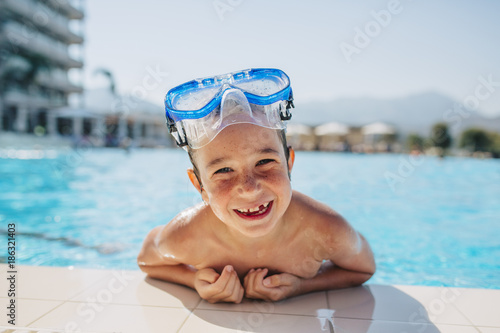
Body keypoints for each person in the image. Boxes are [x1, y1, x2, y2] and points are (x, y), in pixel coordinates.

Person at [137, 68, 375, 303]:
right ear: (200, 186)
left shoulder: (324, 229)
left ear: (289, 164)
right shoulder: (189, 235)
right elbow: (146, 259)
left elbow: (364, 268)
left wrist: (302, 287)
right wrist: (193, 280)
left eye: (264, 162)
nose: (249, 188)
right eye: (223, 171)